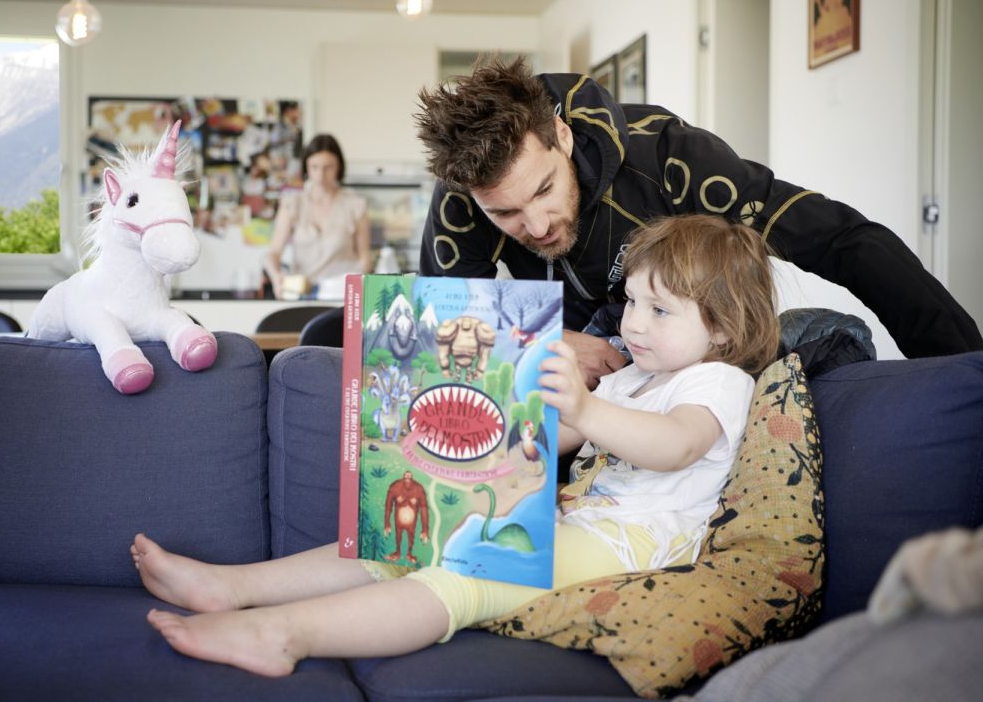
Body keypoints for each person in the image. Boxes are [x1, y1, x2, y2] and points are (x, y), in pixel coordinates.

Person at [129, 214, 778, 677]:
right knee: (414, 534)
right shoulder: (639, 374)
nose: (632, 321)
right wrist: (518, 405)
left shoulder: (716, 381)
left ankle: (283, 633)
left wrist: (583, 405)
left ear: (721, 327)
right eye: (631, 299)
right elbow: (567, 439)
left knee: (471, 568)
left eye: (659, 310)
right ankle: (233, 585)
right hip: (577, 520)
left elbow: (673, 444)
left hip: (634, 546)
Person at [415, 56, 981, 388]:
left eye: (544, 190)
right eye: (505, 212)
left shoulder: (668, 156)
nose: (535, 225)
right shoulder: (460, 202)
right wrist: (543, 343)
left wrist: (962, 376)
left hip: (696, 349)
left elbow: (845, 240)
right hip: (587, 365)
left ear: (561, 136)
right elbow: (430, 333)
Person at [263, 134, 371, 297]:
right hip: (304, 293)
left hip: (342, 295)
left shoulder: (355, 205)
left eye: (328, 167)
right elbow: (273, 253)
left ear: (339, 167)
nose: (321, 175)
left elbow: (365, 259)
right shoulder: (292, 204)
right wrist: (276, 276)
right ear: (306, 167)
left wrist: (358, 291)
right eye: (314, 167)